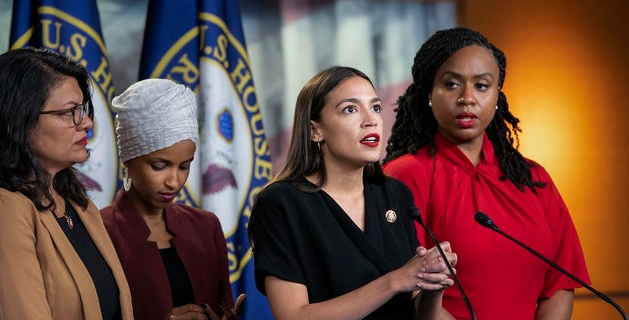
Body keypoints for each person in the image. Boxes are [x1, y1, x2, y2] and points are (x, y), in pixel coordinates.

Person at [383, 27, 590, 320]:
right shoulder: (403, 175)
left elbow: (560, 283)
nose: (467, 98)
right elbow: (409, 292)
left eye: (481, 86)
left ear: (497, 96)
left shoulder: (534, 177)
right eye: (452, 84)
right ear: (429, 93)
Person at [248, 66, 458, 320]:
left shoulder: (396, 195)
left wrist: (432, 284)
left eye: (376, 107)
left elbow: (416, 311)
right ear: (315, 130)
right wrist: (395, 280)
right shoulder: (281, 203)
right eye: (350, 109)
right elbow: (293, 315)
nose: (371, 120)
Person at [0, 47, 133, 319]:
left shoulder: (79, 204)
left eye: (84, 110)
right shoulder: (1, 208)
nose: (87, 122)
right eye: (71, 112)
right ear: (19, 119)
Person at [101, 78, 244, 320]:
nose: (174, 182)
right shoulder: (98, 232)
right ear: (128, 158)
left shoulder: (206, 226)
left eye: (184, 166)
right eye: (159, 166)